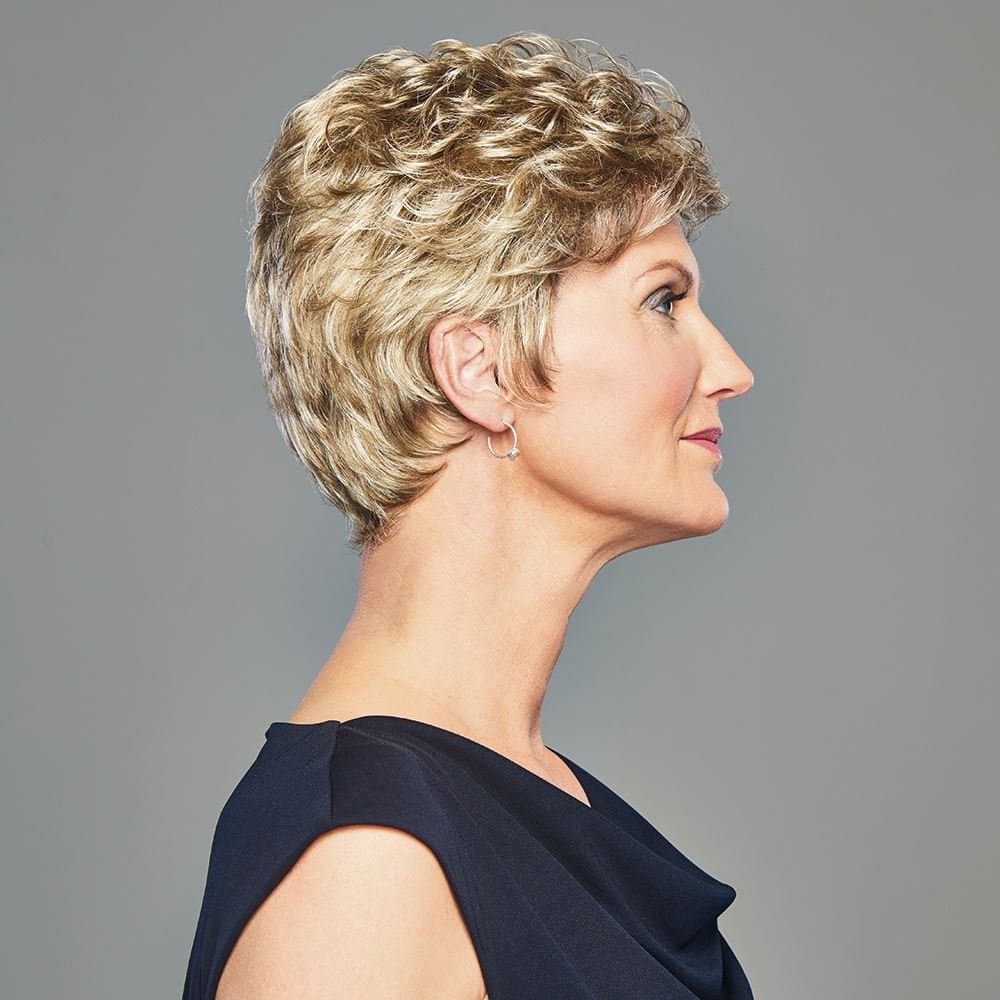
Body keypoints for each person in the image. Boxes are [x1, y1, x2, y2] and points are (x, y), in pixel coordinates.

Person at [183, 32, 755, 1000]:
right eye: (663, 301)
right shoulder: (365, 867)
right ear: (480, 370)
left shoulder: (525, 799)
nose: (731, 369)